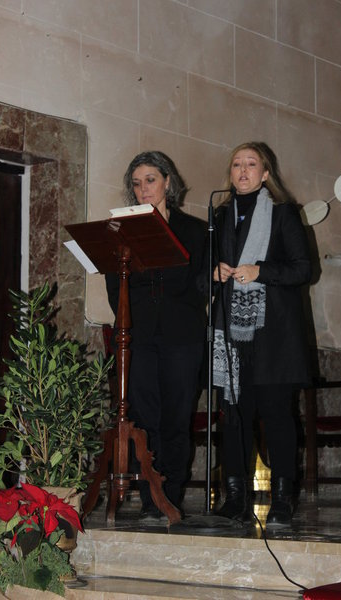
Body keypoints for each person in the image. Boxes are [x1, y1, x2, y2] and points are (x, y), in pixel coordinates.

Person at [212, 141, 311, 528]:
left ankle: (283, 499)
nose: (242, 170)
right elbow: (202, 274)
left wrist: (261, 271)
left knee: (277, 414)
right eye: (236, 164)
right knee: (234, 416)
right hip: (232, 332)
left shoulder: (284, 213)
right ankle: (235, 498)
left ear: (266, 174)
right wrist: (214, 273)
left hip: (273, 336)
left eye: (251, 164)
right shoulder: (220, 215)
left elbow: (303, 269)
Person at [105, 151, 207, 519]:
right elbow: (114, 286)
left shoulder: (195, 230)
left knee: (176, 417)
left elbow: (202, 285)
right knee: (143, 418)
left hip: (183, 335)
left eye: (150, 180)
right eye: (136, 183)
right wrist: (130, 323)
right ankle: (151, 500)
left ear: (168, 181)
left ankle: (171, 495)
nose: (143, 188)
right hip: (139, 336)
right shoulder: (122, 229)